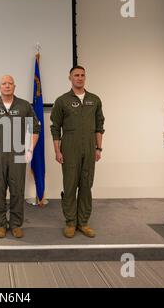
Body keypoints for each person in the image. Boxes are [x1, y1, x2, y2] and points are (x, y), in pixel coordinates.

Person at [0, 75, 40, 238]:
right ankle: (0, 224)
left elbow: (35, 129)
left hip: (18, 155)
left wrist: (30, 149)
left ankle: (15, 224)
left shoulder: (24, 106)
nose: (7, 86)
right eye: (4, 84)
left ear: (14, 86)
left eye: (10, 83)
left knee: (17, 190)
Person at [50, 66, 105, 238]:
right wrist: (57, 151)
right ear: (70, 78)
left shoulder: (94, 100)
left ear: (85, 78)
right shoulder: (62, 101)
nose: (79, 78)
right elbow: (55, 128)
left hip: (89, 146)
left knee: (86, 185)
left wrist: (98, 148)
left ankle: (83, 222)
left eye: (82, 75)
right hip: (70, 146)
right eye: (76, 75)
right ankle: (70, 222)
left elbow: (99, 126)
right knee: (70, 185)